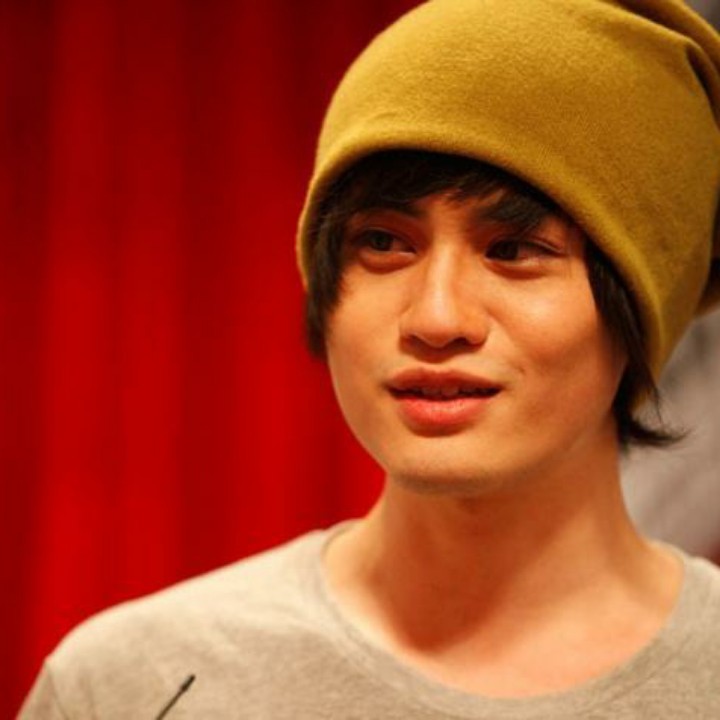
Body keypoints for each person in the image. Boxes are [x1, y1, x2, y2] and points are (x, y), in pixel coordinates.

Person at [20, 0, 720, 717]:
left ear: (643, 301)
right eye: (383, 243)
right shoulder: (133, 684)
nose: (436, 318)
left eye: (513, 250)